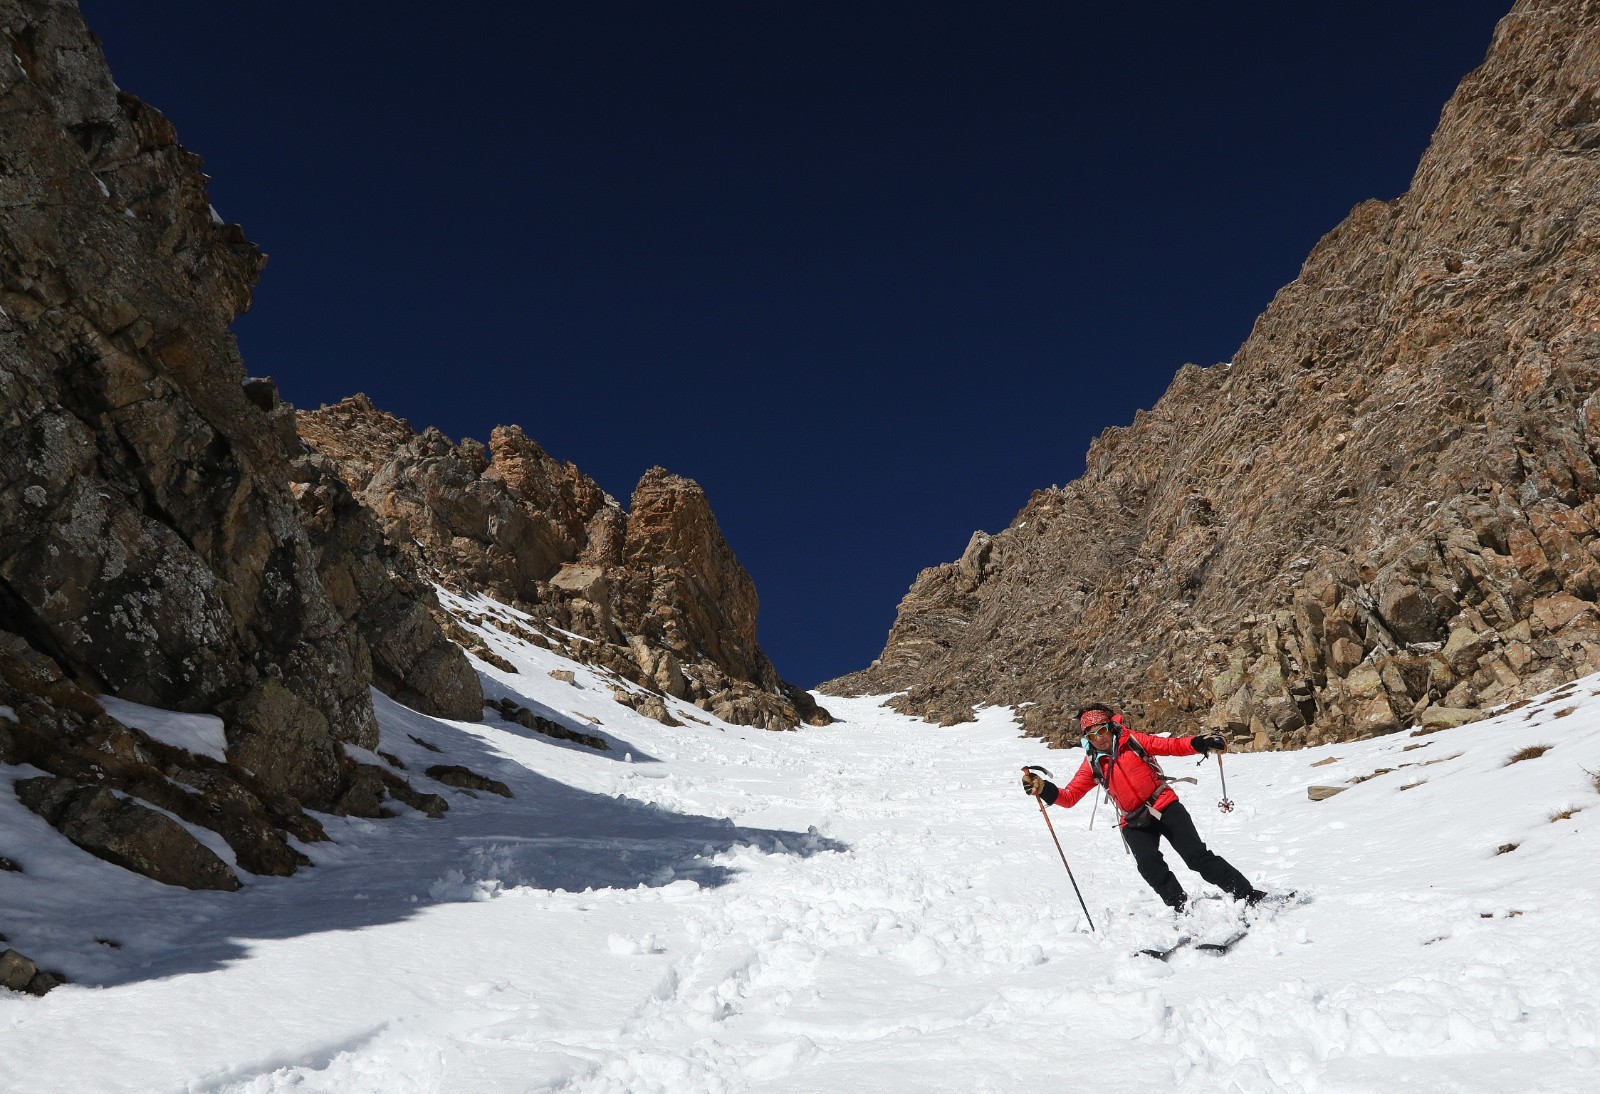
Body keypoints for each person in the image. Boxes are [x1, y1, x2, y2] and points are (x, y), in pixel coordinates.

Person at [1022, 704, 1266, 912]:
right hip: (1134, 821)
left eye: (1103, 731)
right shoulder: (1092, 764)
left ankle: (1246, 893)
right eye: (1091, 736)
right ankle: (1180, 906)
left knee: (1196, 857)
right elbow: (1070, 796)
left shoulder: (1134, 741)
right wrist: (1044, 789)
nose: (1100, 739)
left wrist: (1200, 743)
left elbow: (1171, 746)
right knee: (1149, 865)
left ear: (1111, 726)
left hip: (1165, 805)